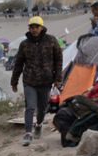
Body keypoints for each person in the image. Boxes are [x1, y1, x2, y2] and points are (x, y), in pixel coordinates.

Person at [11, 16, 63, 146]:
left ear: (41, 27)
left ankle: (39, 124)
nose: (34, 29)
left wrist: (57, 78)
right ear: (29, 28)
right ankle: (28, 133)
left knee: (42, 108)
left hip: (46, 81)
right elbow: (18, 63)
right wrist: (14, 81)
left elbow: (58, 59)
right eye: (31, 27)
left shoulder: (51, 41)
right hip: (29, 81)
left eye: (36, 27)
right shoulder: (24, 44)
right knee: (30, 107)